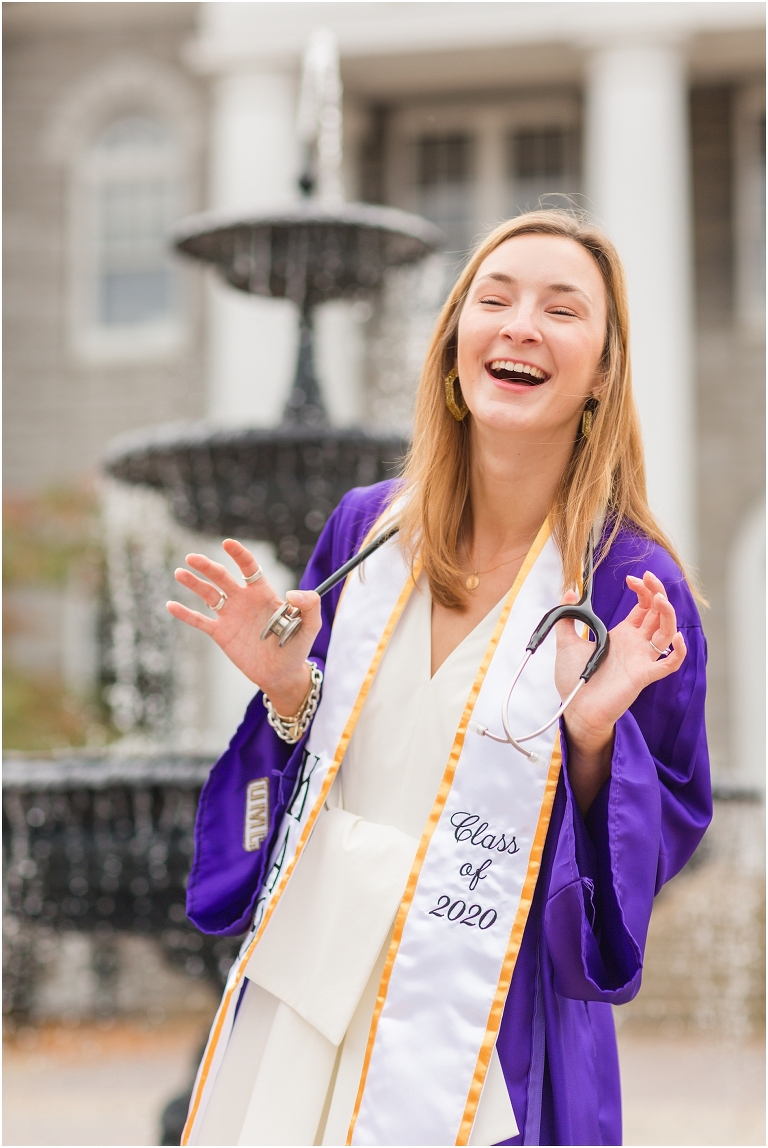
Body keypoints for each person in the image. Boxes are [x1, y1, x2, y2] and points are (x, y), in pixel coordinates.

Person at [167, 209, 711, 1147]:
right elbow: (318, 765)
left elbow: (652, 843)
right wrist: (287, 691)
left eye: (561, 310)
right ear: (455, 347)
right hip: (314, 996)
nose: (520, 327)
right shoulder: (367, 531)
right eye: (494, 301)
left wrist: (592, 740)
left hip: (491, 1019)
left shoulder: (630, 585)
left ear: (603, 372)